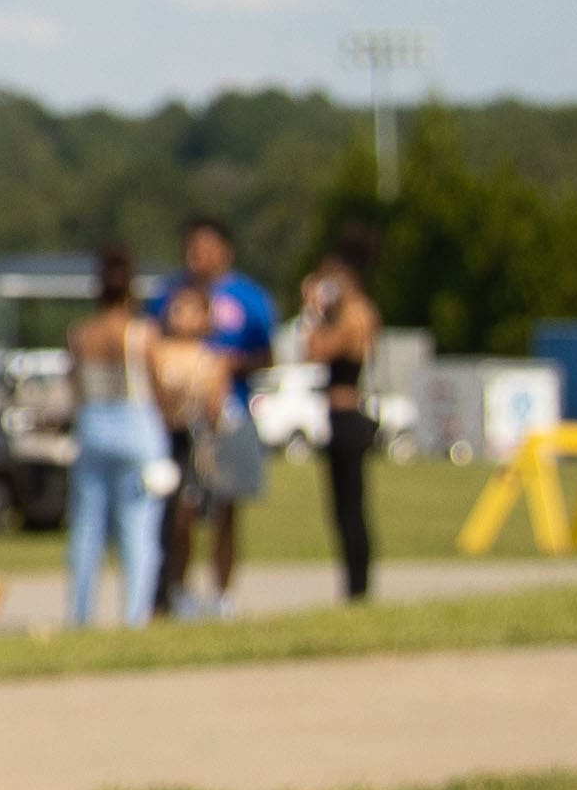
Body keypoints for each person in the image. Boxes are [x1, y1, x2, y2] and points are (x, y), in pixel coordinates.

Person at [151, 216, 277, 617]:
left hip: (229, 415)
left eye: (206, 248)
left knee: (227, 508)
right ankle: (178, 591)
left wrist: (228, 366)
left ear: (225, 250)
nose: (197, 257)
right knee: (181, 512)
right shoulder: (167, 294)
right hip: (179, 423)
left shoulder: (249, 298)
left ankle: (221, 593)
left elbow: (268, 353)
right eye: (191, 248)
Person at [60, 244, 166, 630]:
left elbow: (74, 388)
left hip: (93, 425)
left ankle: (80, 615)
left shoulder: (81, 334)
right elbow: (156, 385)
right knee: (138, 530)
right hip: (137, 427)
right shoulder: (140, 333)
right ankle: (135, 615)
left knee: (86, 530)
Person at [300, 227, 387, 603]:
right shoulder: (360, 311)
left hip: (346, 415)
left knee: (349, 508)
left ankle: (358, 587)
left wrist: (312, 312)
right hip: (343, 414)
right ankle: (354, 585)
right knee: (344, 508)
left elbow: (316, 350)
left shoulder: (353, 315)